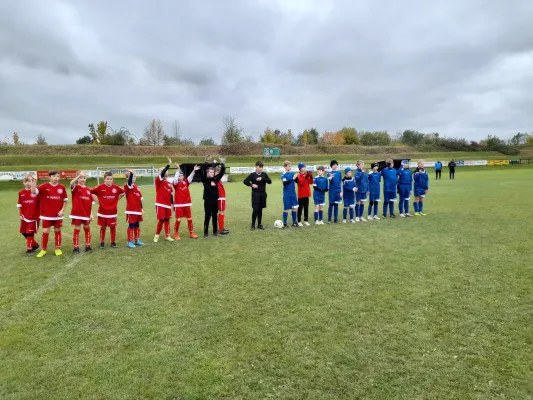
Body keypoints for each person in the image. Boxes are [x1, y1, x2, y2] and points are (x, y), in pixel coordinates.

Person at [34, 170, 68, 257]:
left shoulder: (62, 187)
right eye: (54, 176)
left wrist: (62, 210)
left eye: (57, 176)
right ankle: (43, 250)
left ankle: (57, 248)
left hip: (58, 215)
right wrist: (34, 181)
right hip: (46, 215)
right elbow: (34, 191)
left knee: (57, 230)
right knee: (45, 231)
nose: (56, 178)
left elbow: (65, 200)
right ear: (49, 177)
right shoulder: (44, 186)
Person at [91, 171, 124, 248]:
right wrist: (96, 200)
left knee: (113, 227)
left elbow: (123, 193)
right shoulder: (100, 187)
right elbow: (90, 192)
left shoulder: (116, 187)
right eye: (108, 179)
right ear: (104, 179)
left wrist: (116, 199)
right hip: (102, 212)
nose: (109, 180)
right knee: (103, 227)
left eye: (111, 179)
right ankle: (102, 242)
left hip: (113, 212)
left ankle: (113, 242)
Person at [172, 163, 200, 240]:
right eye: (180, 176)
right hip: (179, 205)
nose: (181, 176)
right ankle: (176, 234)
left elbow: (190, 177)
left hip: (187, 203)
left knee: (189, 218)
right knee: (178, 219)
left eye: (182, 175)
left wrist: (194, 170)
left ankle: (191, 233)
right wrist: (177, 171)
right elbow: (175, 179)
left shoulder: (186, 182)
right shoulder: (175, 184)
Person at [69, 170, 94, 253]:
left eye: (84, 177)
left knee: (87, 228)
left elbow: (90, 204)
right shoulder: (75, 187)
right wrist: (78, 176)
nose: (82, 179)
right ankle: (76, 247)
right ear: (77, 178)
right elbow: (71, 183)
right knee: (77, 229)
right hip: (77, 213)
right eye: (80, 177)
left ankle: (88, 245)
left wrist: (91, 214)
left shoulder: (88, 190)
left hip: (86, 213)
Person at [243, 161, 272, 230]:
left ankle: (259, 224)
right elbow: (245, 181)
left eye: (262, 167)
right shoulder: (252, 175)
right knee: (255, 209)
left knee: (260, 209)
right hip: (255, 194)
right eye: (259, 167)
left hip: (263, 194)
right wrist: (251, 185)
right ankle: (253, 225)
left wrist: (262, 178)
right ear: (256, 167)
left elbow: (270, 181)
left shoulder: (264, 174)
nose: (261, 168)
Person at [201, 160, 226, 237]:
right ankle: (206, 233)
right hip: (208, 201)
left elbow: (221, 172)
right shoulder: (205, 180)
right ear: (208, 173)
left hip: (215, 200)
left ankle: (215, 232)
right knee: (208, 216)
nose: (211, 173)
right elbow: (203, 171)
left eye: (212, 172)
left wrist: (222, 165)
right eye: (210, 172)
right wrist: (205, 164)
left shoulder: (216, 179)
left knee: (215, 216)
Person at [17, 173, 40, 256]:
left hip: (34, 217)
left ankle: (29, 249)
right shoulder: (21, 193)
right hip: (25, 216)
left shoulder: (35, 191)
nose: (28, 183)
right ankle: (35, 244)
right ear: (23, 182)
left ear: (32, 182)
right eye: (26, 181)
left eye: (30, 181)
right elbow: (20, 205)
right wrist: (21, 213)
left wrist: (35, 181)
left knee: (30, 232)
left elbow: (35, 192)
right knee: (24, 232)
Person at [154, 158, 174, 242]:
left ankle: (167, 236)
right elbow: (162, 174)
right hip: (160, 204)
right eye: (162, 171)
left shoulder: (169, 183)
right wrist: (168, 165)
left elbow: (171, 195)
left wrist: (172, 204)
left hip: (167, 205)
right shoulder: (158, 181)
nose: (164, 172)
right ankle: (157, 235)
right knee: (161, 220)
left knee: (167, 219)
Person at [124, 169, 145, 248]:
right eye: (131, 176)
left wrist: (141, 208)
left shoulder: (137, 187)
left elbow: (140, 199)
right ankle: (129, 241)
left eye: (134, 176)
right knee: (131, 225)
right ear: (127, 178)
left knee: (137, 225)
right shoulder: (127, 186)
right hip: (131, 210)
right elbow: (129, 182)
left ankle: (137, 239)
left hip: (138, 210)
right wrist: (132, 173)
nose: (133, 178)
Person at [280, 160, 299, 228]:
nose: (290, 167)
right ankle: (285, 223)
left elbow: (296, 181)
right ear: (285, 167)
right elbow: (285, 183)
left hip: (293, 193)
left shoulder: (292, 173)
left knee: (294, 208)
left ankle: (294, 223)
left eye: (291, 166)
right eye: (289, 166)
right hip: (287, 193)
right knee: (286, 208)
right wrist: (293, 178)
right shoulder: (283, 175)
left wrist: (297, 177)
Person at [296, 162, 313, 226]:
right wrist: (306, 177)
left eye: (305, 167)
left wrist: (311, 176)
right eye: (303, 167)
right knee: (300, 208)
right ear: (300, 168)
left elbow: (310, 182)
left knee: (306, 208)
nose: (305, 168)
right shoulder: (298, 175)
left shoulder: (306, 174)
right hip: (301, 194)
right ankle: (299, 221)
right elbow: (301, 183)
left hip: (307, 194)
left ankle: (306, 220)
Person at [215, 168, 230, 235]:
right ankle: (221, 229)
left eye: (218, 172)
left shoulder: (219, 180)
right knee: (221, 212)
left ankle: (221, 227)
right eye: (216, 172)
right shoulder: (215, 179)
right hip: (220, 198)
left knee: (221, 212)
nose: (218, 173)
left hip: (222, 198)